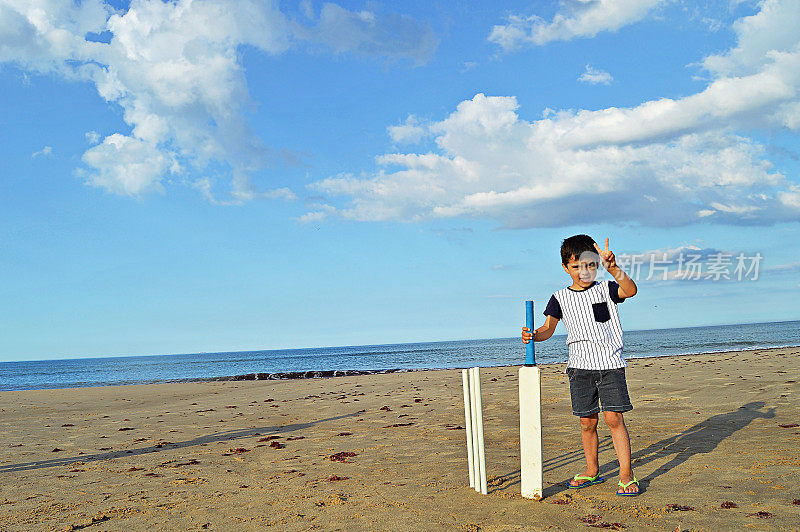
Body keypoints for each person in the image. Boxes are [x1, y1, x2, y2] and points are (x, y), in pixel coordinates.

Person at [521, 234, 640, 496]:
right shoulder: (559, 298)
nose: (582, 272)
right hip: (579, 369)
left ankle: (626, 474)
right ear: (565, 267)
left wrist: (614, 268)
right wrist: (533, 336)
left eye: (589, 265)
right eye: (576, 267)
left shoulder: (607, 288)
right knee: (587, 422)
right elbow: (547, 329)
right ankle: (592, 469)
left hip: (610, 365)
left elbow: (630, 290)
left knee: (614, 419)